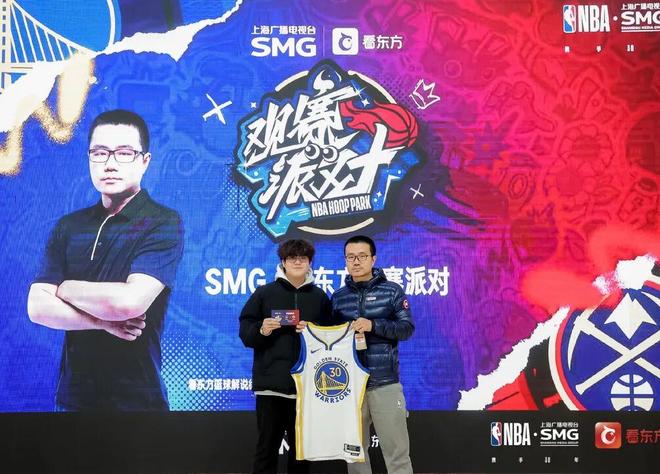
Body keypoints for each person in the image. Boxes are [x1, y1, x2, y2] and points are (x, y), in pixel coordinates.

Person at [27, 109, 184, 411]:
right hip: (73, 399)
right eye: (99, 153)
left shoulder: (162, 222)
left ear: (144, 161)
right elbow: (37, 307)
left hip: (138, 401)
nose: (110, 164)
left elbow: (129, 303)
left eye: (124, 153)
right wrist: (103, 323)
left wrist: (65, 288)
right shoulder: (69, 226)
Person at [239, 239, 332, 474]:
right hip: (270, 387)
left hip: (307, 388)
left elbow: (332, 337)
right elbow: (246, 332)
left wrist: (314, 332)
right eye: (292, 258)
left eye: (303, 258)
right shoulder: (264, 293)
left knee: (301, 454)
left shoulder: (320, 297)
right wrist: (262, 329)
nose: (298, 262)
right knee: (266, 450)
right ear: (283, 262)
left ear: (310, 263)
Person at [331, 235, 414, 474]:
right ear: (345, 260)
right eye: (350, 257)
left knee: (397, 455)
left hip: (384, 383)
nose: (356, 262)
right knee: (355, 456)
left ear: (373, 259)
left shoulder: (392, 291)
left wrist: (374, 325)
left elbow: (406, 328)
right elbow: (330, 338)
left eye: (362, 256)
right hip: (349, 387)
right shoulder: (338, 298)